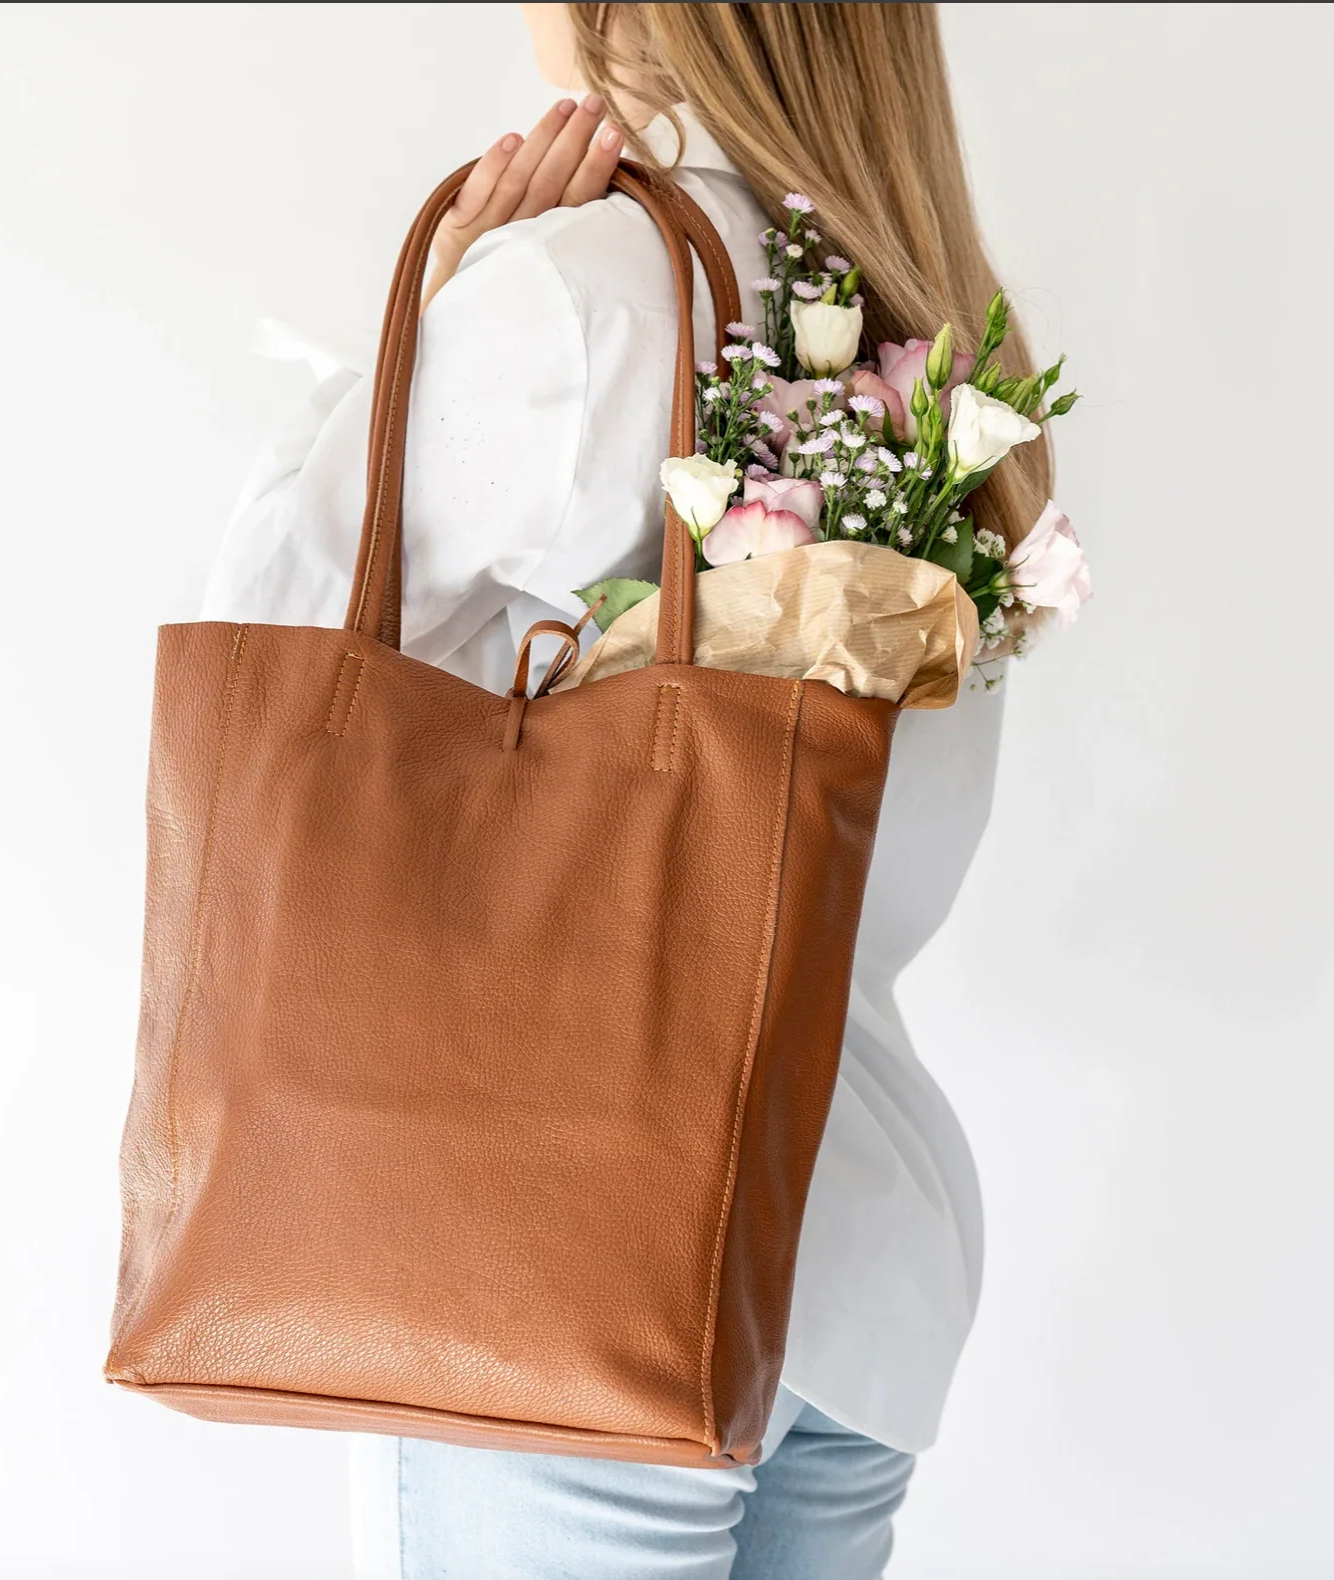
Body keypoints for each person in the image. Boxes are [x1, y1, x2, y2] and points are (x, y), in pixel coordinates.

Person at [202, 5, 1051, 1575]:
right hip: (859, 1265)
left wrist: (436, 316)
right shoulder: (920, 330)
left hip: (570, 1268)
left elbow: (272, 644)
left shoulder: (581, 297)